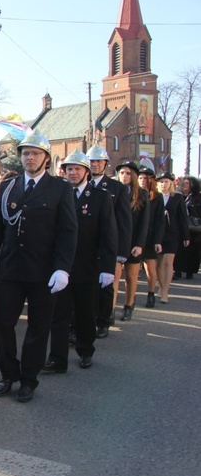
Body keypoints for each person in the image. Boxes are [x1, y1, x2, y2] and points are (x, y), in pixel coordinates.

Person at [0, 131, 77, 403]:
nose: (29, 158)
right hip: (9, 270)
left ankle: (29, 379)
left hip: (43, 271)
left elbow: (68, 231)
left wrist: (62, 268)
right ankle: (9, 373)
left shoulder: (60, 188)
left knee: (38, 328)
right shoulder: (8, 187)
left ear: (46, 159)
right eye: (25, 153)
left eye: (35, 153)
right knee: (2, 324)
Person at [44, 150, 116, 373]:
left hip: (87, 266)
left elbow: (108, 235)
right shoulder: (57, 194)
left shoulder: (100, 197)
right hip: (61, 266)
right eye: (69, 169)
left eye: (77, 169)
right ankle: (57, 358)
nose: (73, 173)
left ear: (86, 171)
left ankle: (86, 350)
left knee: (86, 312)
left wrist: (107, 268)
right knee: (58, 314)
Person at [86, 144, 132, 338]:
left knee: (105, 285)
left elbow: (124, 221)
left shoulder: (117, 188)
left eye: (98, 161)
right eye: (91, 161)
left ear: (105, 164)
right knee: (84, 285)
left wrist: (121, 251)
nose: (95, 165)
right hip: (84, 246)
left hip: (107, 245)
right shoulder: (80, 184)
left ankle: (104, 321)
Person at [115, 161, 149, 321]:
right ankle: (110, 309)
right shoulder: (113, 191)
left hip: (134, 241)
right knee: (114, 276)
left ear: (134, 176)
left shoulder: (141, 194)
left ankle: (129, 304)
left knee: (131, 276)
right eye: (122, 173)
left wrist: (139, 244)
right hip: (116, 240)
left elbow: (144, 222)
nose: (124, 176)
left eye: (128, 173)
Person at [156, 172, 190, 304]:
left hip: (173, 234)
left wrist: (185, 236)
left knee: (168, 261)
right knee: (159, 262)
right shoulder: (155, 196)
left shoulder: (177, 197)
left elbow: (182, 218)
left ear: (171, 183)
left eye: (166, 181)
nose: (163, 184)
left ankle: (165, 291)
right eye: (161, 182)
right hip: (158, 235)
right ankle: (161, 286)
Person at [138, 162, 165, 307]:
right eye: (141, 178)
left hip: (150, 237)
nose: (143, 180)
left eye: (146, 178)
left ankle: (151, 293)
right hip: (136, 237)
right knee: (133, 269)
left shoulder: (157, 197)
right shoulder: (133, 194)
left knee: (150, 267)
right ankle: (131, 297)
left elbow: (160, 221)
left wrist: (158, 241)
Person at [174, 176, 201, 279]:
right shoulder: (178, 196)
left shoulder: (197, 198)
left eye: (188, 183)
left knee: (193, 250)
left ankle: (189, 271)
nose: (186, 185)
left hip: (195, 228)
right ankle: (177, 271)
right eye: (184, 183)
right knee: (179, 249)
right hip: (181, 226)